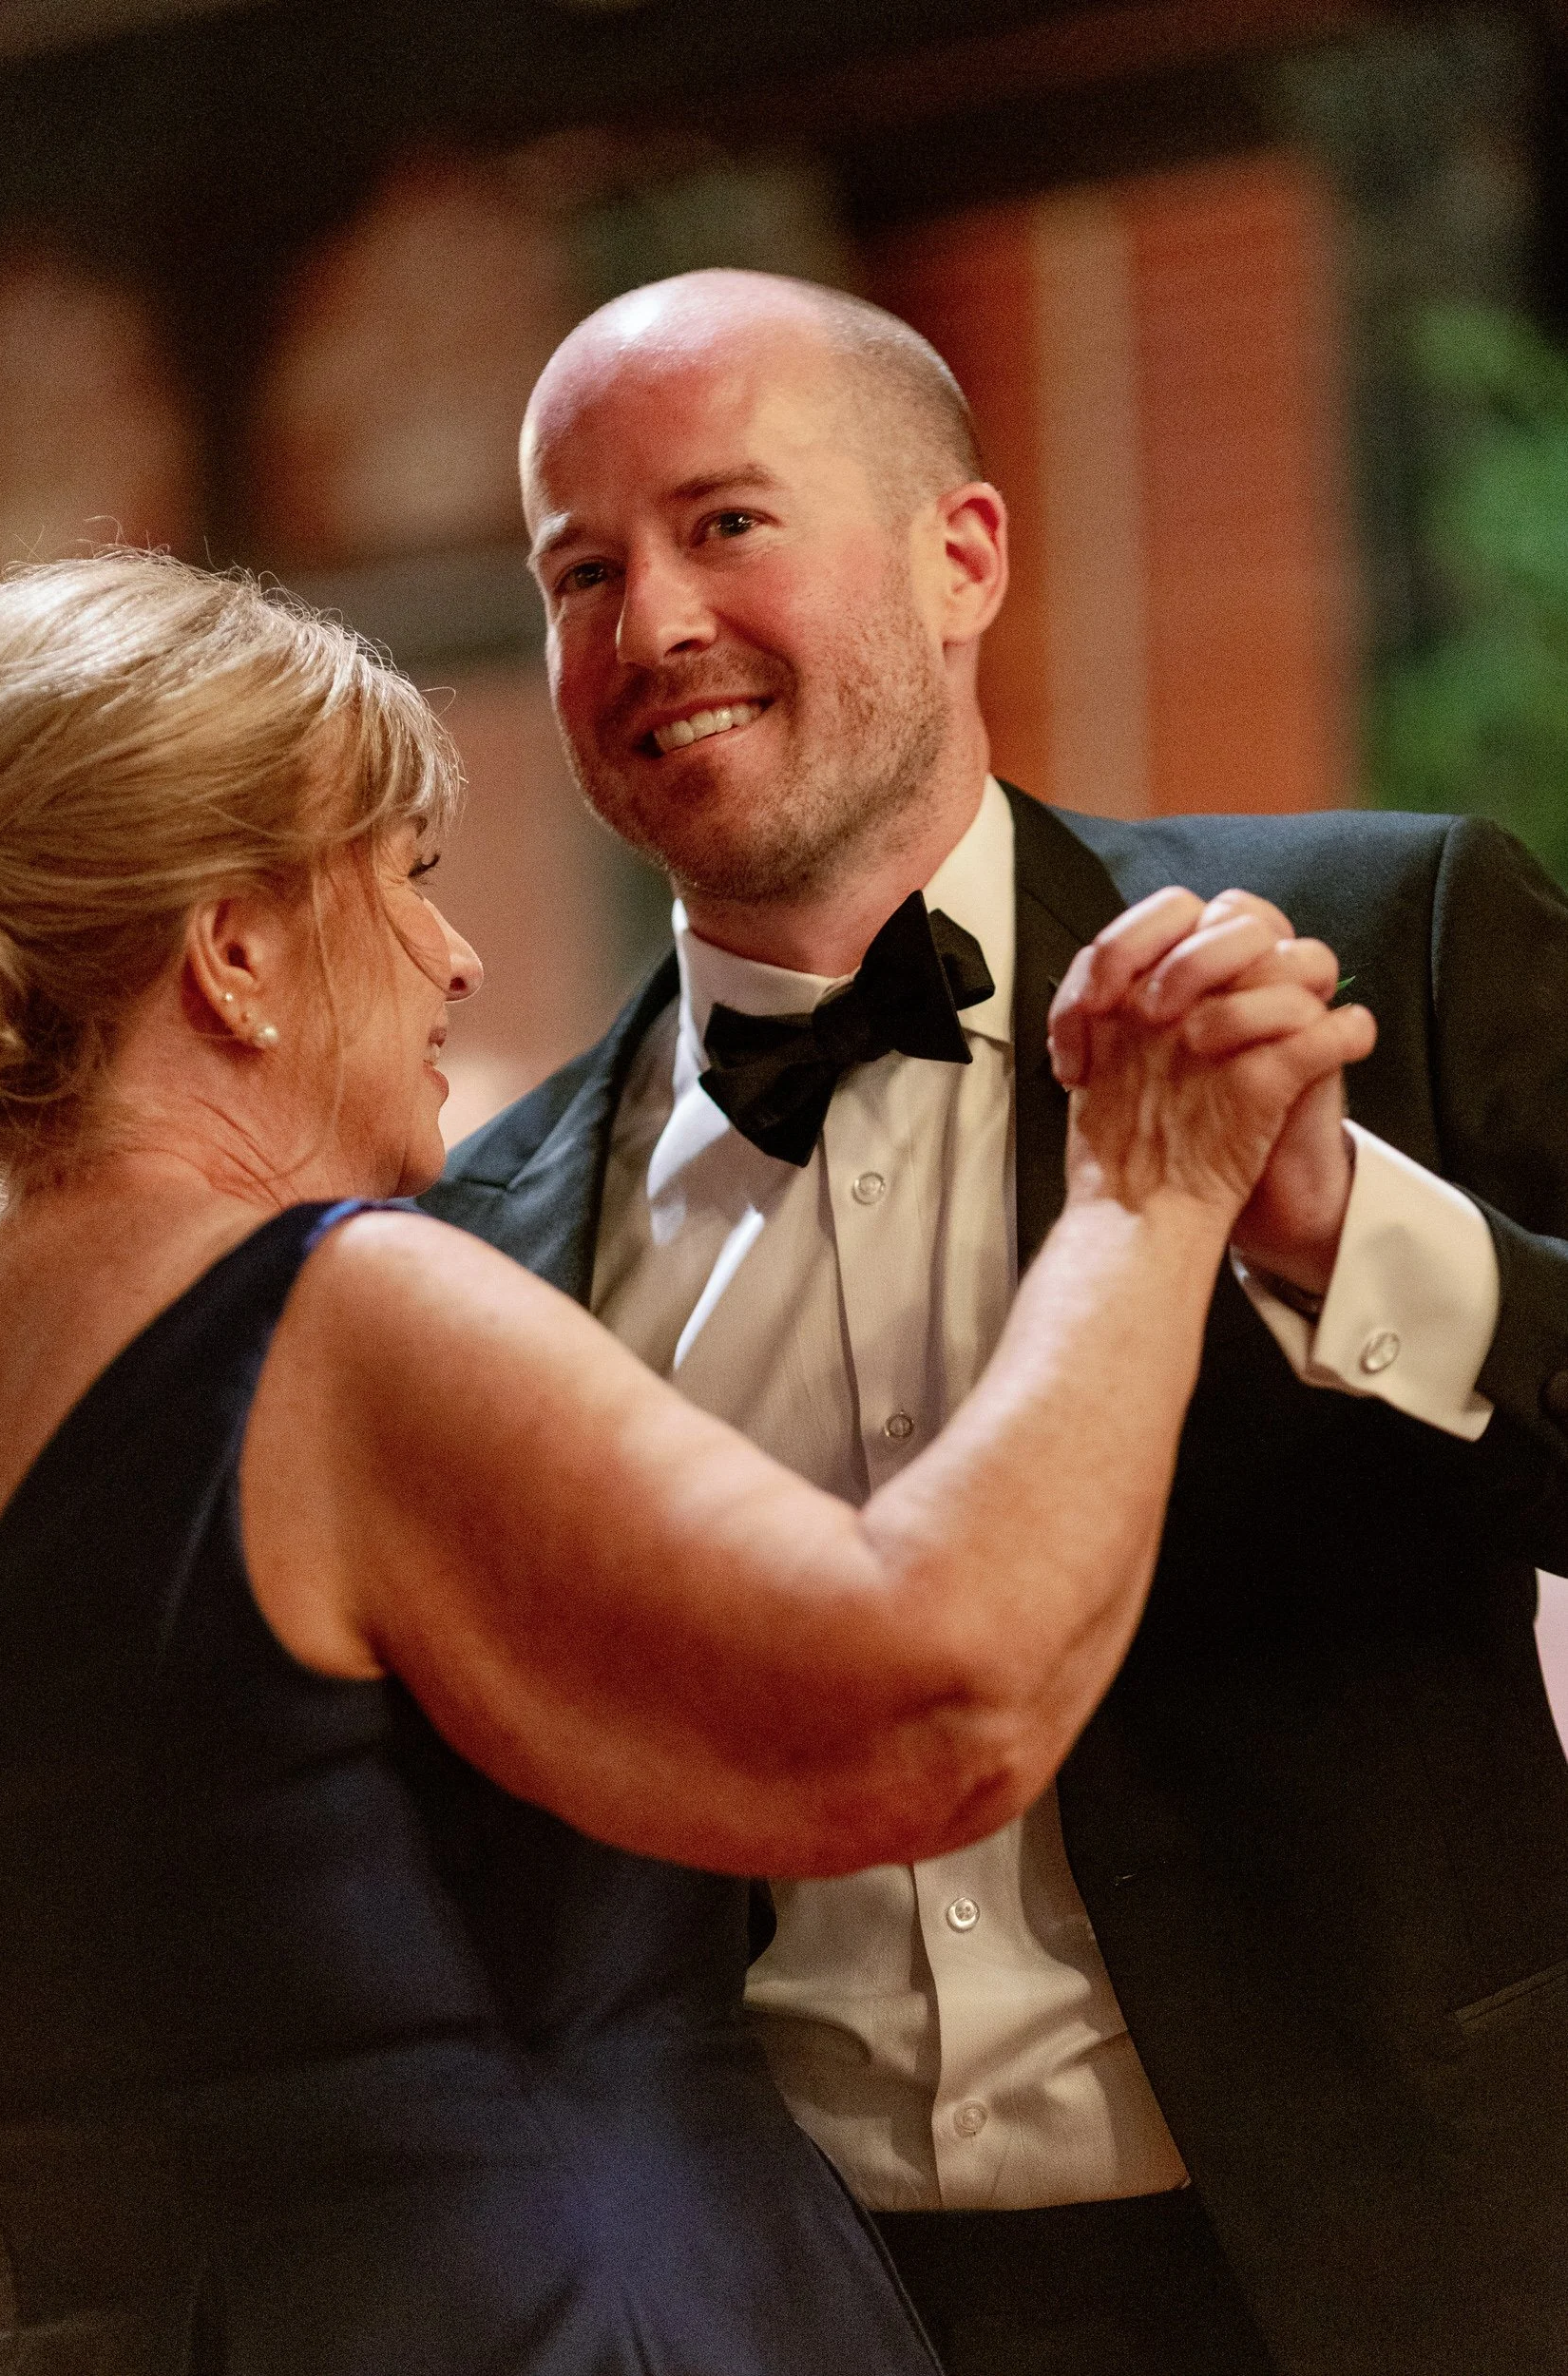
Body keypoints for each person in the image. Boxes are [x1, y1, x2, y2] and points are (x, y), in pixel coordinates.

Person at [0, 548, 1358, 2376]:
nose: (455, 955)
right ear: (233, 958)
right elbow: (935, 1700)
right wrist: (1152, 1179)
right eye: (403, 882)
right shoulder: (338, 1318)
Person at [426, 267, 1568, 2376]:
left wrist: (1335, 1232)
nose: (648, 622)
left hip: (1404, 2252)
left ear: (961, 555)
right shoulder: (487, 1245)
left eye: (723, 522)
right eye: (580, 569)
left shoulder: (1377, 938)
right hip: (798, 2309)